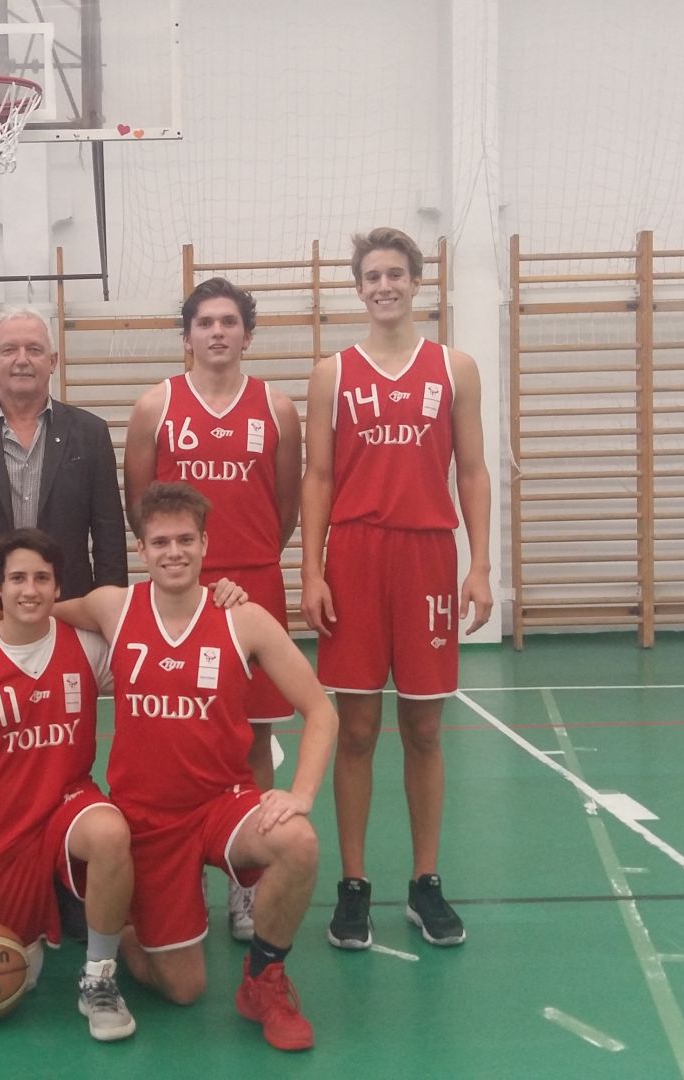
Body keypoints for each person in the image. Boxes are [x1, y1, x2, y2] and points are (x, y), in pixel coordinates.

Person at [0, 482, 336, 1051]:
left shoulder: (243, 618)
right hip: (148, 824)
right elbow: (32, 608)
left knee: (298, 841)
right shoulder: (115, 606)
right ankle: (128, 924)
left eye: (185, 540)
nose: (174, 552)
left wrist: (300, 793)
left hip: (222, 804)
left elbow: (321, 709)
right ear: (142, 550)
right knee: (184, 989)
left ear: (205, 544)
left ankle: (264, 981)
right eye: (160, 542)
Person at [298, 227, 493, 951]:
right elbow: (318, 477)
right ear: (359, 288)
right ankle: (353, 885)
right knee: (355, 730)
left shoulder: (455, 368)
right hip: (355, 553)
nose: (384, 285)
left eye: (395, 274)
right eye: (372, 276)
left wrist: (480, 565)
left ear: (417, 282)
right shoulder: (332, 374)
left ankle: (424, 882)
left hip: (426, 554)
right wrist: (311, 569)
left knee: (425, 729)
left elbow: (473, 470)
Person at [123, 276, 302, 943]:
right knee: (179, 735)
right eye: (205, 322)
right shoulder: (155, 407)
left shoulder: (277, 408)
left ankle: (243, 881)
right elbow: (141, 508)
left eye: (230, 322)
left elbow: (285, 507)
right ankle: (180, 869)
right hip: (179, 590)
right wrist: (188, 573)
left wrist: (247, 565)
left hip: (254, 585)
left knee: (252, 738)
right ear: (187, 336)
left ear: (247, 335)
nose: (218, 332)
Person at [0, 528, 136, 1043]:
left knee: (110, 832)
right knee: (7, 971)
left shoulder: (86, 647)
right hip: (1, 833)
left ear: (58, 588)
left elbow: (162, 633)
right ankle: (54, 914)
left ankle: (99, 977)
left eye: (42, 578)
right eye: (17, 578)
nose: (30, 589)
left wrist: (224, 597)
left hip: (67, 808)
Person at [0, 308, 127, 662]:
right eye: (9, 350)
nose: (21, 360)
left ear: (53, 361)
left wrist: (111, 622)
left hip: (70, 616)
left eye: (34, 349)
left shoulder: (90, 433)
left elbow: (109, 541)